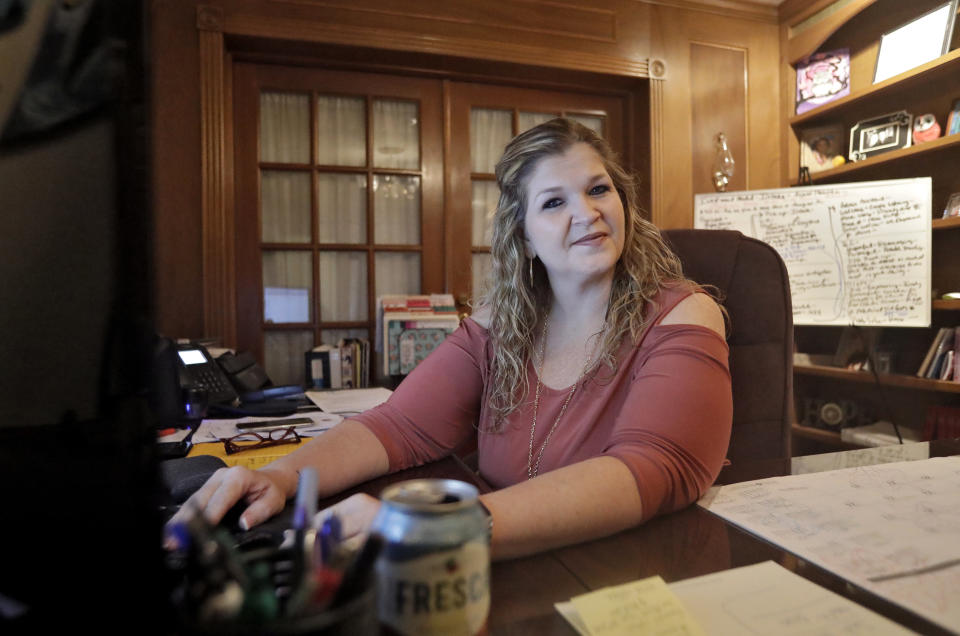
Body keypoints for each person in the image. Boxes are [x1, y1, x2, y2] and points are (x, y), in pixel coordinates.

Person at [172, 118, 732, 561]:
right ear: (525, 238)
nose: (587, 213)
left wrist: (439, 529)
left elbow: (654, 468)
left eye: (598, 190)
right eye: (554, 202)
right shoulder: (499, 323)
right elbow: (399, 426)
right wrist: (280, 477)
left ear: (624, 205)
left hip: (624, 577)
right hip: (498, 564)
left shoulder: (685, 315)